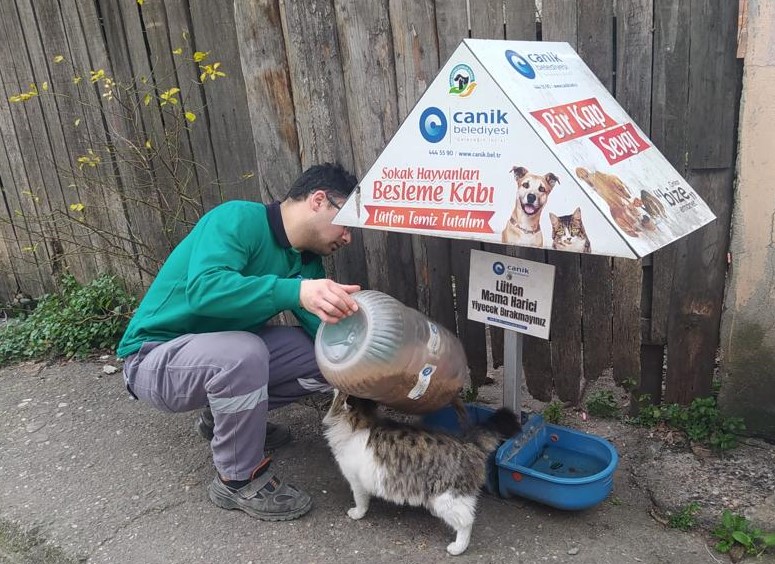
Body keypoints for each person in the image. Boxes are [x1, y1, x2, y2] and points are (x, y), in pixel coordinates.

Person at [117, 163, 360, 521]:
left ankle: (224, 421)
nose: (348, 237)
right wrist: (293, 290)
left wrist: (375, 359)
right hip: (154, 357)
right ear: (318, 200)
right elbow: (204, 290)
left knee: (324, 359)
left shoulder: (305, 262)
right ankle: (237, 479)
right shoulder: (237, 219)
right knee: (242, 354)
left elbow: (323, 333)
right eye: (348, 223)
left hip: (217, 355)